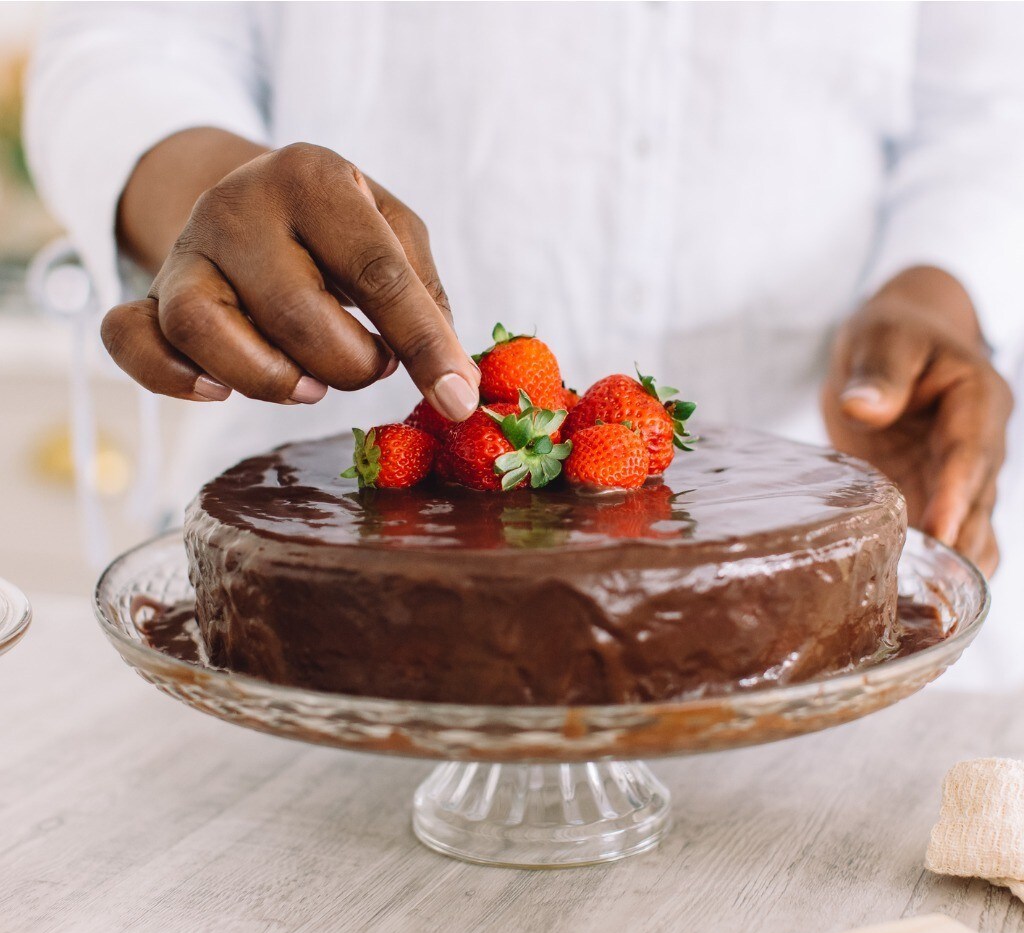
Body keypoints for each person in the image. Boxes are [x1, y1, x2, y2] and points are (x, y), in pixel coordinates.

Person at [25, 6, 1021, 611]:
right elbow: (129, 31)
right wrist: (211, 190)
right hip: (318, 619)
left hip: (822, 567)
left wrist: (934, 289)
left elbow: (986, 103)